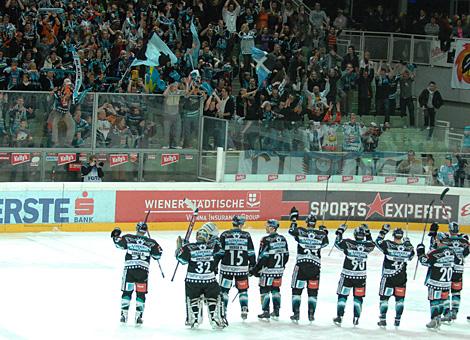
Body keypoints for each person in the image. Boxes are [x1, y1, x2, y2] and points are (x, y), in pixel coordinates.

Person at [110, 222, 163, 325]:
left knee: (127, 292)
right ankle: (138, 316)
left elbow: (118, 243)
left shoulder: (129, 238)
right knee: (141, 293)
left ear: (137, 228)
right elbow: (158, 255)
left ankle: (124, 315)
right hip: (143, 272)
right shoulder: (151, 242)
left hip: (129, 270)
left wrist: (115, 234)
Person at [176, 226, 225, 329]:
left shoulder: (189, 247)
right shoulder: (213, 246)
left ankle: (194, 319)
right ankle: (215, 319)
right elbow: (221, 251)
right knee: (213, 299)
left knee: (193, 299)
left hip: (192, 280)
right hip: (209, 279)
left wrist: (180, 248)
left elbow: (182, 260)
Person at [288, 208, 329, 323]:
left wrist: (294, 219)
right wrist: (324, 232)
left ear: (306, 222)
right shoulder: (320, 234)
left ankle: (296, 313)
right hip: (315, 267)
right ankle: (311, 314)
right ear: (315, 223)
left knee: (296, 290)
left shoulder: (301, 231)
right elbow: (326, 243)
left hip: (301, 266)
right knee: (313, 292)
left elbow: (291, 231)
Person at [216, 215, 256, 324]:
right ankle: (244, 308)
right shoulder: (246, 235)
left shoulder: (225, 235)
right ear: (241, 224)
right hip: (242, 269)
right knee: (243, 290)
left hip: (226, 269)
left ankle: (223, 310)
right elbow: (251, 252)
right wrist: (253, 265)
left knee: (224, 291)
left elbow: (220, 252)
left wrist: (214, 265)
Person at [333, 224, 375, 326]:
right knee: (358, 298)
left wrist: (340, 231)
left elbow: (337, 243)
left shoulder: (348, 243)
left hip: (347, 275)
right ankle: (356, 318)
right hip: (361, 276)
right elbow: (372, 243)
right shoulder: (367, 246)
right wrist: (368, 233)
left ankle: (339, 316)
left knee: (342, 296)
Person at [416, 229, 458, 329]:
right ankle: (439, 318)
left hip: (435, 281)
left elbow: (424, 261)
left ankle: (434, 319)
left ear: (439, 241)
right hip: (446, 283)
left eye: (437, 241)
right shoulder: (452, 252)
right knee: (442, 300)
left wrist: (420, 251)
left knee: (434, 301)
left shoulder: (435, 252)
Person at [375, 225, 414, 327]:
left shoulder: (387, 244)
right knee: (400, 300)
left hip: (388, 277)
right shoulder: (408, 247)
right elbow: (412, 256)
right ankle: (398, 320)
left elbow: (377, 241)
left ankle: (383, 319)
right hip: (401, 277)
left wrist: (383, 231)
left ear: (393, 235)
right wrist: (408, 243)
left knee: (384, 299)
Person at [251, 219, 289, 321]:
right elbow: (286, 255)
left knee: (264, 290)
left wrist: (256, 269)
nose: (265, 227)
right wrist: (281, 266)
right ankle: (276, 311)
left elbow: (262, 256)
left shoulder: (265, 239)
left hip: (267, 271)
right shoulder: (283, 239)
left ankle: (266, 311)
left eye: (267, 226)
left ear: (272, 227)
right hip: (278, 271)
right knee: (276, 290)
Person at [441, 222, 469, 322]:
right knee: (456, 291)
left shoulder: (445, 240)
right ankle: (455, 311)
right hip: (459, 270)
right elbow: (465, 253)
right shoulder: (464, 240)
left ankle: (447, 311)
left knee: (445, 290)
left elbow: (438, 249)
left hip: (447, 269)